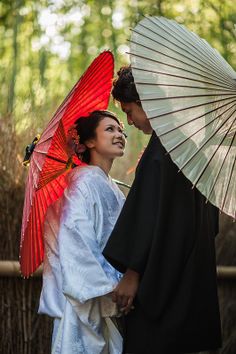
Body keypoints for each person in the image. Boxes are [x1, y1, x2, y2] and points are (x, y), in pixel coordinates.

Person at [103, 67, 222, 354]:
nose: (129, 122)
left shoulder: (163, 150)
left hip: (164, 288)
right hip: (192, 282)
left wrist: (132, 273)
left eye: (130, 111)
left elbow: (148, 217)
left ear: (147, 101)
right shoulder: (193, 147)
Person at [38, 110, 127, 354]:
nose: (119, 134)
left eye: (121, 130)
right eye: (110, 129)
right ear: (89, 142)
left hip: (107, 298)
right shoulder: (82, 183)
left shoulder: (112, 188)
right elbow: (74, 238)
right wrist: (110, 285)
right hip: (84, 301)